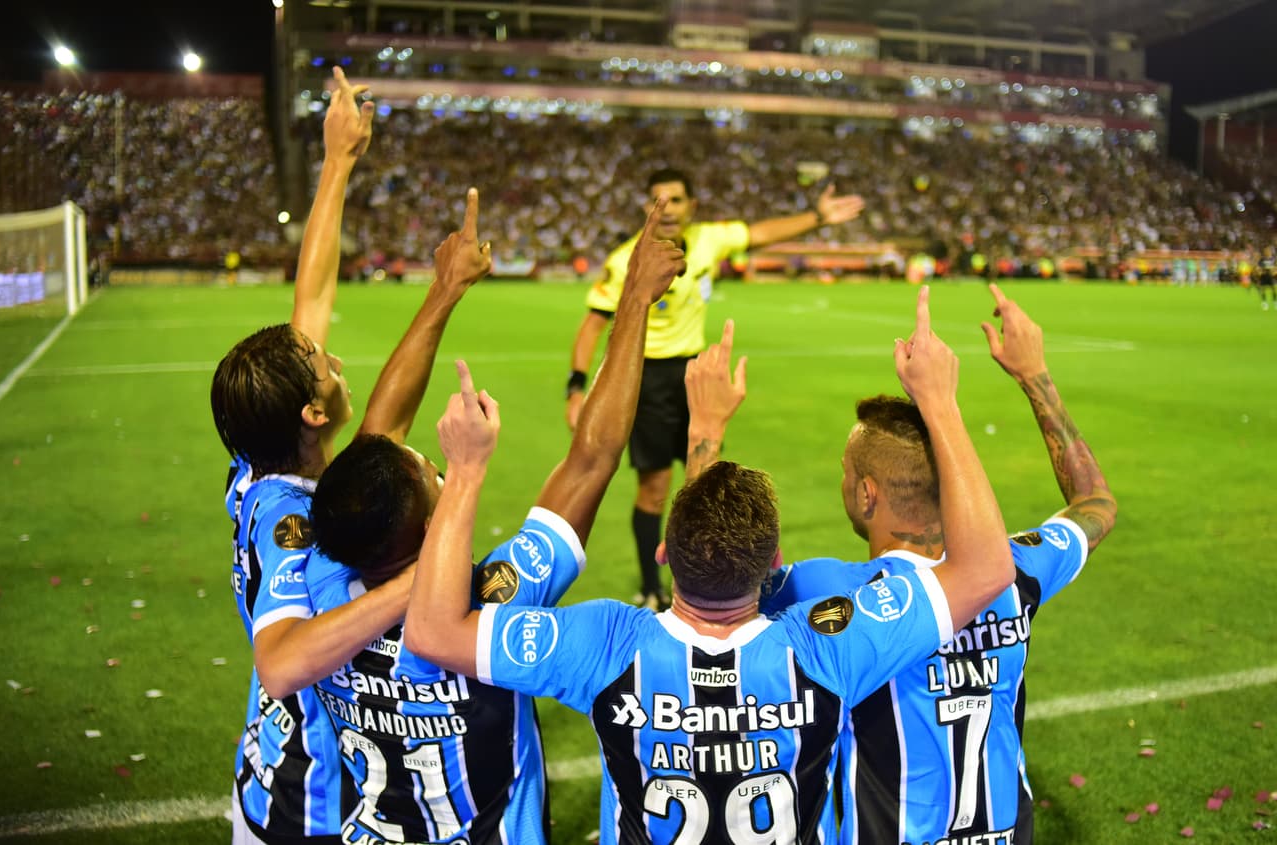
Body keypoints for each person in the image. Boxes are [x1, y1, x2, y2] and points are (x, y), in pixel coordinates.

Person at [405, 287, 1016, 845]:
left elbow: (432, 631)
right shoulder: (826, 648)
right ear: (773, 564)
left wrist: (464, 472)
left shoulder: (605, 644)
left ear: (665, 552)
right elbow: (987, 568)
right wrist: (938, 403)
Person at [303, 198, 686, 844]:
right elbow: (592, 460)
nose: (438, 468)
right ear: (430, 528)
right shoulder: (494, 605)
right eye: (433, 474)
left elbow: (376, 440)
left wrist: (444, 290)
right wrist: (636, 301)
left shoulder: (325, 580)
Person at [210, 69, 490, 844]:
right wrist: (415, 581)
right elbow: (280, 663)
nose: (333, 360)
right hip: (310, 805)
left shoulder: (265, 459)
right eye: (324, 366)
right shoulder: (287, 518)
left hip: (280, 780)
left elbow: (313, 299)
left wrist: (338, 163)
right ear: (310, 410)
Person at [741, 283, 1117, 844]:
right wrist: (1033, 374)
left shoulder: (824, 593)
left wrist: (703, 433)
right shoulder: (1018, 569)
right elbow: (1096, 504)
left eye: (848, 472)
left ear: (866, 494)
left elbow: (711, 579)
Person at [564, 167, 866, 610]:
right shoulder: (626, 259)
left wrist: (816, 218)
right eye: (659, 201)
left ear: (693, 206)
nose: (668, 211)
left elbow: (759, 233)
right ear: (650, 207)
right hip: (646, 380)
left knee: (706, 480)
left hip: (692, 374)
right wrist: (575, 387)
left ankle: (707, 579)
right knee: (654, 488)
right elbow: (593, 324)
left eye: (677, 200)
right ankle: (652, 588)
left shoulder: (708, 239)